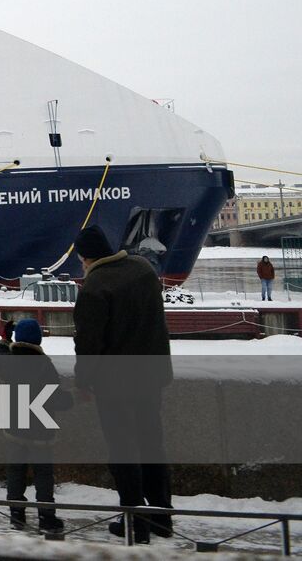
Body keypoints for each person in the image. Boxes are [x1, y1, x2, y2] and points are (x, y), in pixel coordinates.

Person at [73, 224, 173, 544]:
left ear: (86, 257)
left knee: (123, 450)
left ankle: (136, 522)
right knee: (151, 444)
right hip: (151, 374)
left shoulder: (94, 287)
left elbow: (88, 345)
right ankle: (162, 517)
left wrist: (84, 382)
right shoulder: (143, 269)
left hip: (115, 384)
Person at [0, 317, 70, 532]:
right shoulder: (45, 366)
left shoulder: (9, 361)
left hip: (16, 426)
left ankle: (17, 516)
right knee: (43, 474)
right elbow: (54, 397)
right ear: (38, 339)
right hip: (40, 430)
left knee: (15, 472)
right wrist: (70, 400)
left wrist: (4, 340)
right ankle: (46, 517)